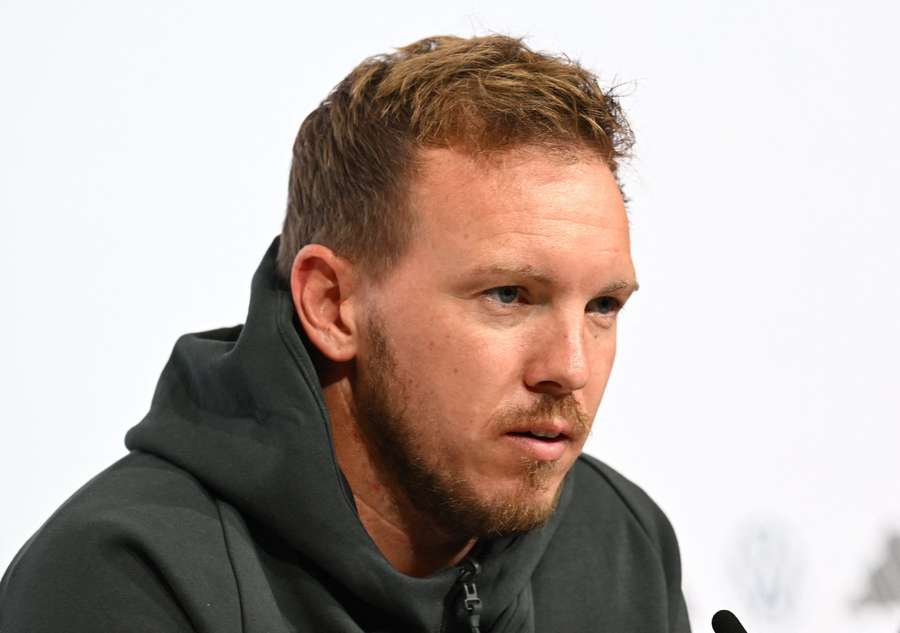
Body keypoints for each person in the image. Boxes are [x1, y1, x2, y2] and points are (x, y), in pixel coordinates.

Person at [0, 35, 691, 632]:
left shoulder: (620, 539)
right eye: (509, 295)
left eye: (603, 306)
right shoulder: (128, 574)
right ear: (331, 305)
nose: (569, 367)